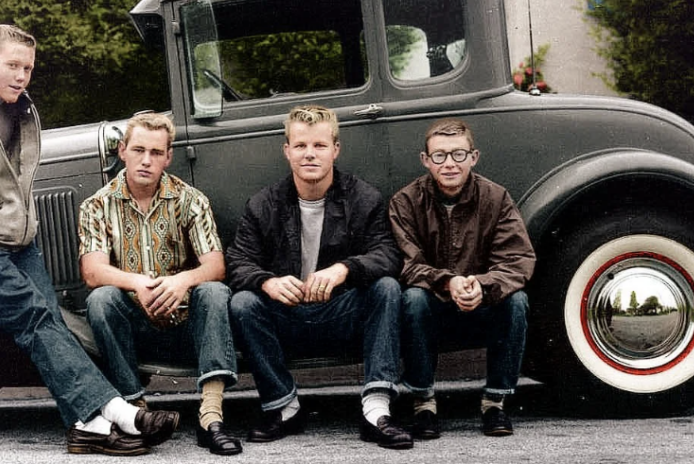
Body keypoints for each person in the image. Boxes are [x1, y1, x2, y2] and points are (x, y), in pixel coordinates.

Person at [0, 24, 179, 456]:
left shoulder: (24, 109)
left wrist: (18, 224)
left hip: (18, 241)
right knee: (34, 316)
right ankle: (122, 412)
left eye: (28, 68)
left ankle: (86, 427)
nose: (21, 76)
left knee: (49, 322)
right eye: (12, 65)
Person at [227, 105, 412, 450]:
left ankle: (376, 410)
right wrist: (268, 281)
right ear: (286, 151)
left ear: (336, 149)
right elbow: (237, 261)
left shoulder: (364, 197)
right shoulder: (263, 203)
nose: (309, 154)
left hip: (339, 313)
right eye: (300, 146)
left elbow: (388, 254)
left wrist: (345, 268)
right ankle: (284, 406)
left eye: (319, 145)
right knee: (243, 302)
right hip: (287, 316)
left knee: (386, 289)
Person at [77, 111, 242, 456]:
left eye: (156, 153)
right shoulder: (96, 205)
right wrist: (136, 282)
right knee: (101, 299)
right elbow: (92, 271)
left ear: (168, 156)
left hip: (186, 324)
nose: (146, 160)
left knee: (213, 291)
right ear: (122, 150)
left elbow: (216, 265)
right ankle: (137, 414)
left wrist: (184, 280)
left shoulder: (190, 200)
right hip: (134, 326)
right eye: (138, 150)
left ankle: (211, 416)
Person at [389, 118, 535, 439]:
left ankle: (494, 403)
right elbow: (406, 264)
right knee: (412, 298)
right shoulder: (406, 201)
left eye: (458, 154)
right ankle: (423, 403)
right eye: (439, 156)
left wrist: (481, 286)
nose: (450, 164)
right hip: (434, 304)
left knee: (517, 301)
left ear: (474, 157)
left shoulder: (496, 198)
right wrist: (448, 282)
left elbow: (517, 260)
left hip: (483, 302)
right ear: (425, 160)